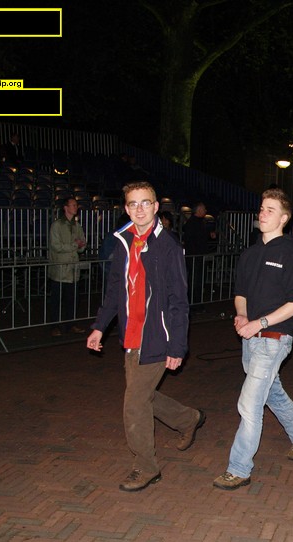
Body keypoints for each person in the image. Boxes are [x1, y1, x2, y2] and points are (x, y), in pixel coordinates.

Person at [87, 181, 205, 492]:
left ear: (155, 207)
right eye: (133, 204)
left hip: (157, 337)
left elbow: (179, 301)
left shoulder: (168, 246)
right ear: (126, 209)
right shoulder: (124, 241)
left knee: (134, 404)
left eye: (145, 203)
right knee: (142, 396)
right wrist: (100, 326)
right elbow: (116, 289)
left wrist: (177, 346)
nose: (139, 209)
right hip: (131, 336)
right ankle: (187, 419)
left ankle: (146, 467)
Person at [213, 189, 293, 491]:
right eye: (261, 208)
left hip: (274, 338)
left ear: (284, 218)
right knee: (271, 393)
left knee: (249, 403)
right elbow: (241, 293)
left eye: (270, 209)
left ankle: (239, 468)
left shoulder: (292, 255)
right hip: (251, 338)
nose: (262, 213)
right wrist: (242, 316)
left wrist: (261, 322)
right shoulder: (250, 254)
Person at [47, 198, 87, 336]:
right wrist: (75, 245)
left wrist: (79, 245)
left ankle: (71, 324)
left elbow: (83, 244)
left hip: (73, 268)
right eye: (73, 205)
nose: (76, 207)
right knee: (57, 300)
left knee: (72, 299)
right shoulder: (57, 225)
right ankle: (54, 326)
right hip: (60, 268)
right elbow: (56, 246)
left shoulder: (77, 226)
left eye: (76, 205)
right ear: (65, 207)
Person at [182, 202, 212, 305]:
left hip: (198, 255)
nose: (205, 211)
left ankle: (196, 301)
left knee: (198, 279)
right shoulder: (193, 223)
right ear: (199, 210)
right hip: (195, 255)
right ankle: (194, 302)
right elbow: (192, 240)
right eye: (204, 209)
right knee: (195, 279)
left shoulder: (198, 222)